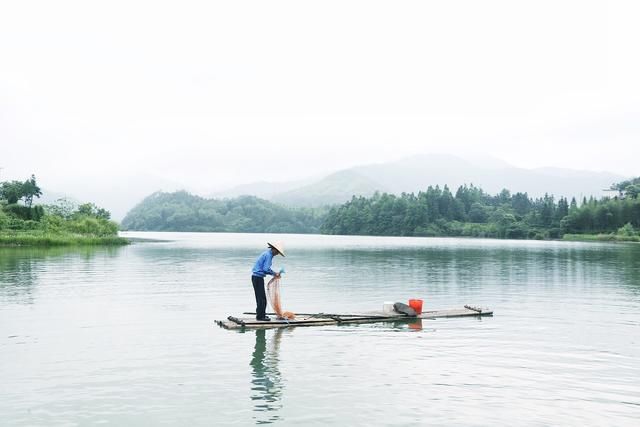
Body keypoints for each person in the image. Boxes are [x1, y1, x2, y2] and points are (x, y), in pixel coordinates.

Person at [251, 241, 285, 321]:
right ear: (274, 249)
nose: (277, 254)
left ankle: (261, 315)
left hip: (257, 277)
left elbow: (265, 268)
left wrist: (274, 273)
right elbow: (265, 269)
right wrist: (274, 273)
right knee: (261, 298)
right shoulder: (268, 255)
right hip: (257, 278)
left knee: (261, 298)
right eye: (277, 252)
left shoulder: (266, 254)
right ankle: (260, 317)